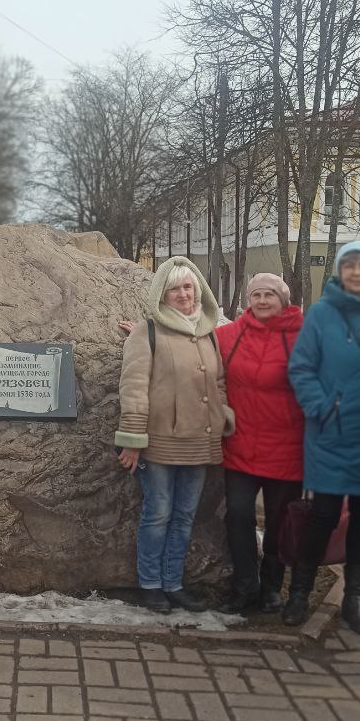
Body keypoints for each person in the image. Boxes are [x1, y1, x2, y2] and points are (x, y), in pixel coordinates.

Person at [284, 240, 360, 633]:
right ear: (339, 271)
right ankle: (299, 595)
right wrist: (322, 407)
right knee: (323, 516)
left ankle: (355, 600)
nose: (357, 272)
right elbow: (301, 368)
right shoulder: (320, 315)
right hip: (332, 434)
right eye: (349, 265)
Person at [114, 256, 234, 614]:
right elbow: (133, 387)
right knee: (158, 514)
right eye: (174, 289)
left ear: (198, 290)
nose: (183, 294)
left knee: (185, 516)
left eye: (188, 287)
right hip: (159, 445)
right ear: (162, 295)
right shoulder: (147, 331)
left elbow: (218, 382)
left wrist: (222, 415)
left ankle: (174, 584)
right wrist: (132, 441)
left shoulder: (208, 333)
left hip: (199, 442)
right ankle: (151, 585)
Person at [215, 272, 304, 614]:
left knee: (280, 523)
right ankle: (245, 586)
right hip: (240, 445)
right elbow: (191, 344)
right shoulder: (229, 335)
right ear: (248, 301)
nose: (263, 301)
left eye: (270, 295)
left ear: (283, 300)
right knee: (237, 515)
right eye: (256, 295)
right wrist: (148, 336)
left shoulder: (303, 337)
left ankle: (271, 587)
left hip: (286, 447)